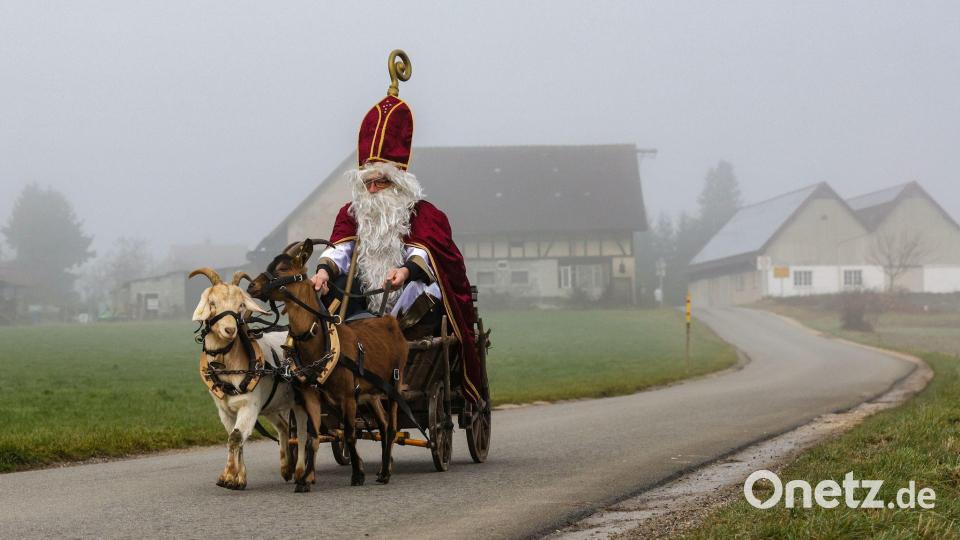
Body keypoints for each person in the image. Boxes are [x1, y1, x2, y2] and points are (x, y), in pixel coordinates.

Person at [309, 61, 483, 403]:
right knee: (324, 311)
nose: (373, 191)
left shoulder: (425, 215)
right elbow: (338, 251)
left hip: (412, 303)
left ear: (399, 183)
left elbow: (426, 256)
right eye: (367, 183)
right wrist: (322, 272)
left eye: (381, 182)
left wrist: (404, 271)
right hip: (365, 302)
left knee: (419, 301)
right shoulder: (353, 213)